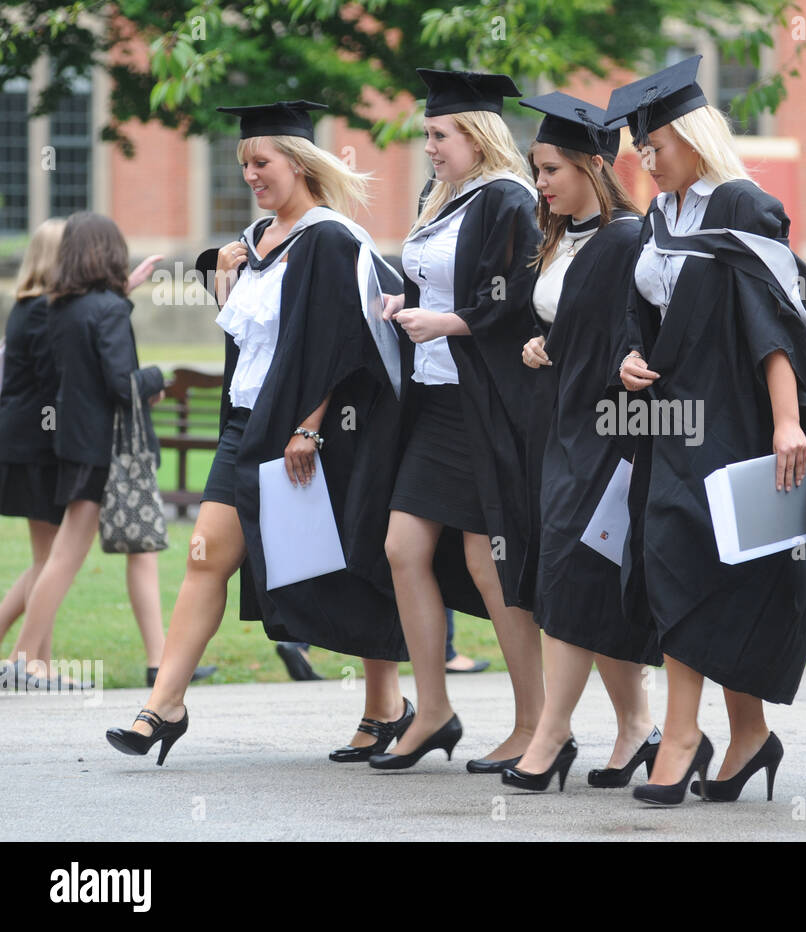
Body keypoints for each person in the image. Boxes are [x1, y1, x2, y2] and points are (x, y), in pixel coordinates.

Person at [105, 100, 411, 764]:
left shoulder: (329, 239)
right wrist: (224, 286)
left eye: (261, 162)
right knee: (204, 554)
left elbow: (337, 342)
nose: (249, 174)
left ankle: (386, 705)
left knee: (340, 562)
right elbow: (256, 341)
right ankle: (164, 705)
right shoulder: (254, 239)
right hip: (247, 423)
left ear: (298, 163)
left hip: (308, 432)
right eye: (242, 163)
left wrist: (309, 428)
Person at [610, 57, 806, 805]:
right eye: (640, 150)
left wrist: (788, 420)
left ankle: (683, 737)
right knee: (679, 560)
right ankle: (747, 734)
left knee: (696, 559)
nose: (646, 161)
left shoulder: (745, 207)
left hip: (737, 415)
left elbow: (776, 323)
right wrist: (629, 352)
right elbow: (642, 306)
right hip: (669, 417)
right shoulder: (661, 215)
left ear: (692, 137)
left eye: (655, 147)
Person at [368, 70, 544, 773]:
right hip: (433, 401)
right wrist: (400, 304)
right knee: (402, 548)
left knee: (486, 559)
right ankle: (433, 709)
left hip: (483, 403)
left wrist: (450, 322)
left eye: (440, 135)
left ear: (476, 134)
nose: (430, 147)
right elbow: (429, 279)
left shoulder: (509, 200)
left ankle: (536, 722)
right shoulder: (440, 197)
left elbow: (520, 296)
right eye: (428, 135)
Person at [501, 92, 661, 793]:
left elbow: (632, 335)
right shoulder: (565, 235)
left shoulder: (628, 238)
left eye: (550, 170)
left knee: (570, 569)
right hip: (560, 421)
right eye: (536, 170)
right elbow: (572, 325)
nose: (539, 184)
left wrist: (576, 354)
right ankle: (637, 728)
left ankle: (552, 731)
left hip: (609, 430)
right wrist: (545, 345)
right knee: (583, 573)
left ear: (595, 165)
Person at [3, 214, 205, 690]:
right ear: (109, 254)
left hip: (73, 443)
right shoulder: (106, 310)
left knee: (57, 559)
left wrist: (121, 296)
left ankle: (24, 660)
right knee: (64, 559)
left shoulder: (61, 306)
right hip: (103, 449)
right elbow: (121, 384)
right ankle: (27, 662)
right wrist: (160, 377)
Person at [0, 220, 68, 652]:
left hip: (21, 441)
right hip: (36, 446)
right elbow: (52, 383)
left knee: (45, 556)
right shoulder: (45, 310)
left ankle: (38, 661)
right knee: (52, 557)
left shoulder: (25, 305)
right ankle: (31, 661)